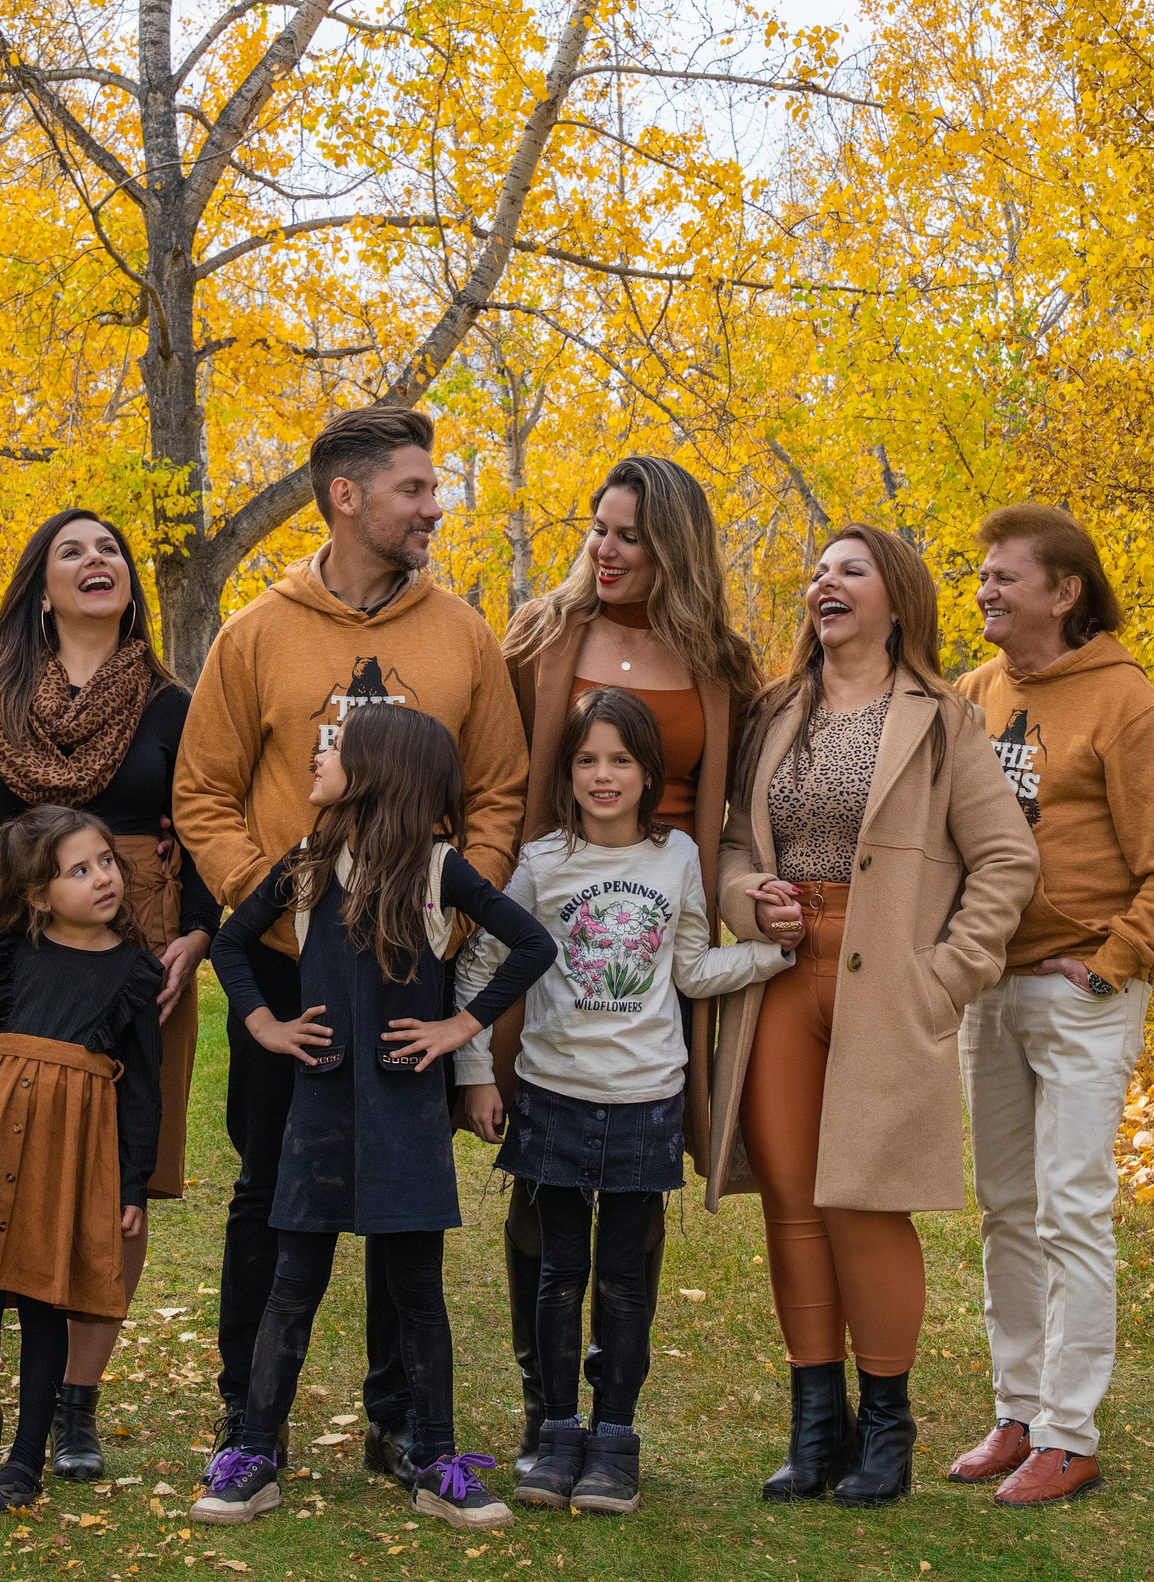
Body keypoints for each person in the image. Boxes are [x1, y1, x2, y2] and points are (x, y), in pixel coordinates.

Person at [172, 406, 529, 1482]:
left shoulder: (462, 634)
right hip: (294, 969)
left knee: (399, 1196)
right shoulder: (257, 633)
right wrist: (279, 909)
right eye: (415, 488)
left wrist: (452, 914)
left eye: (433, 488)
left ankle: (398, 1421)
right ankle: (249, 1417)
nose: (434, 505)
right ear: (347, 495)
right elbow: (204, 793)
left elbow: (501, 791)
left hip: (411, 967)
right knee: (269, 1187)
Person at [708, 523, 1037, 1507]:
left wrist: (944, 979)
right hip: (779, 979)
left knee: (864, 1198)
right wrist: (745, 896)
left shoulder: (943, 720)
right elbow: (728, 846)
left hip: (884, 988)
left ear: (895, 597)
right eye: (818, 572)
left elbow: (1006, 862)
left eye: (848, 569)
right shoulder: (772, 713)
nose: (825, 583)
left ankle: (885, 1429)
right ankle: (816, 1430)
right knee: (792, 1200)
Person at [189, 705, 555, 1531]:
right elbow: (230, 944)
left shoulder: (440, 870)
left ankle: (436, 1460)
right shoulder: (311, 862)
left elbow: (531, 943)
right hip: (318, 1115)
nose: (319, 754)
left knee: (417, 1291)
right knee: (292, 1286)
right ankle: (252, 1453)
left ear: (380, 771)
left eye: (336, 747)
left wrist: (461, 1027)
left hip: (404, 1119)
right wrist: (264, 1027)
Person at [0, 508, 218, 1483]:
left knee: (113, 1181)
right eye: (73, 550)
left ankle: (74, 1405)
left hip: (142, 949)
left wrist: (197, 932)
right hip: (20, 948)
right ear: (39, 585)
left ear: (129, 583)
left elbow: (208, 819)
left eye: (111, 550)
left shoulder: (174, 703)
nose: (98, 561)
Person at [458, 689, 790, 1516]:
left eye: (621, 760)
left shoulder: (677, 855)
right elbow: (480, 971)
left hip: (645, 1101)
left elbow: (689, 971)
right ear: (565, 772)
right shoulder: (542, 862)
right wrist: (472, 1067)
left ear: (650, 774)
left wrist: (769, 955)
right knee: (559, 1273)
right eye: (586, 760)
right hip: (555, 1096)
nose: (603, 775)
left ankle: (615, 1438)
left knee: (625, 1283)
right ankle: (558, 1430)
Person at [944, 504, 1154, 1508]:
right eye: (981, 574)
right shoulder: (972, 693)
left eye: (1005, 576)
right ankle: (1018, 1412)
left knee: (1070, 1207)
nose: (984, 589)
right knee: (1005, 1209)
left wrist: (1114, 962)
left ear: (1064, 592)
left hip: (1079, 992)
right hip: (991, 990)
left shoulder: (1122, 705)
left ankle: (1070, 1433)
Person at [492, 455, 761, 1468]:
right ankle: (542, 1398)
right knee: (543, 1167)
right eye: (597, 529)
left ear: (674, 551)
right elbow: (497, 769)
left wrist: (751, 908)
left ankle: (615, 1410)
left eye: (629, 536)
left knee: (640, 1170)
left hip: (668, 920)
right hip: (555, 911)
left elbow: (740, 812)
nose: (604, 550)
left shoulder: (722, 664)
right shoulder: (543, 637)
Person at [0, 808, 165, 1516]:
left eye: (107, 861)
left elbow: (144, 1089)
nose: (103, 878)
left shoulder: (134, 974)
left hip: (68, 1151)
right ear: (36, 894)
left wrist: (131, 1183)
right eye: (79, 870)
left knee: (42, 1298)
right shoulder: (9, 952)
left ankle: (25, 1460)